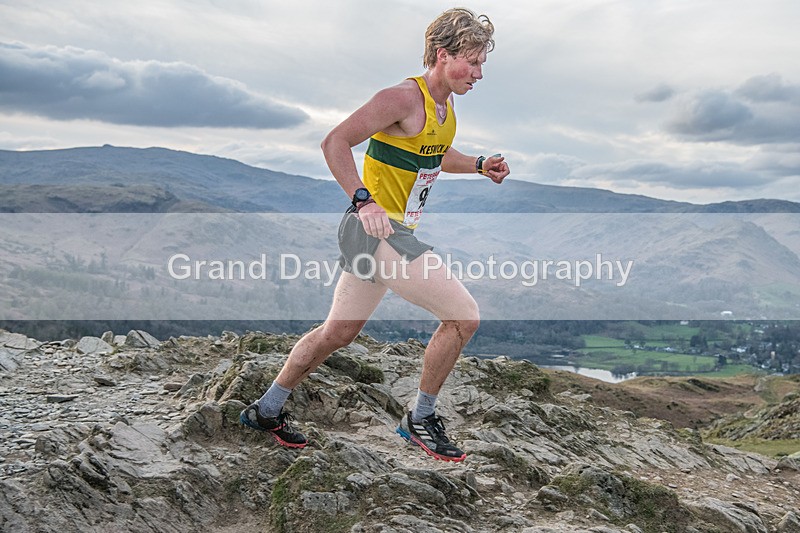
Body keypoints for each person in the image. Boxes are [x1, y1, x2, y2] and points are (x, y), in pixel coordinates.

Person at [241, 7, 509, 462]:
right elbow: (335, 141)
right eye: (474, 60)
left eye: (483, 63)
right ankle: (420, 418)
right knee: (464, 317)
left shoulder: (444, 109)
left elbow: (436, 155)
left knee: (337, 333)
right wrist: (364, 201)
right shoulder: (403, 97)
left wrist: (479, 165)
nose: (479, 73)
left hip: (382, 234)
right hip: (377, 232)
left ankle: (267, 409)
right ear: (443, 55)